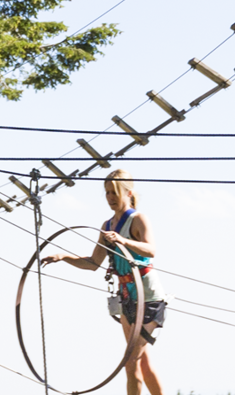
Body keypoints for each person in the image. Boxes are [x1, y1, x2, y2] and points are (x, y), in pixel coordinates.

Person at [41, 169, 167, 395]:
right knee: (142, 363)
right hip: (126, 297)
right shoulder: (107, 226)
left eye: (114, 192)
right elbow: (92, 262)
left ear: (128, 192)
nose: (110, 197)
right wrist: (63, 257)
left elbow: (151, 249)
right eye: (107, 193)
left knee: (130, 362)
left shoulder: (138, 219)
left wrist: (122, 240)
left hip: (148, 296)